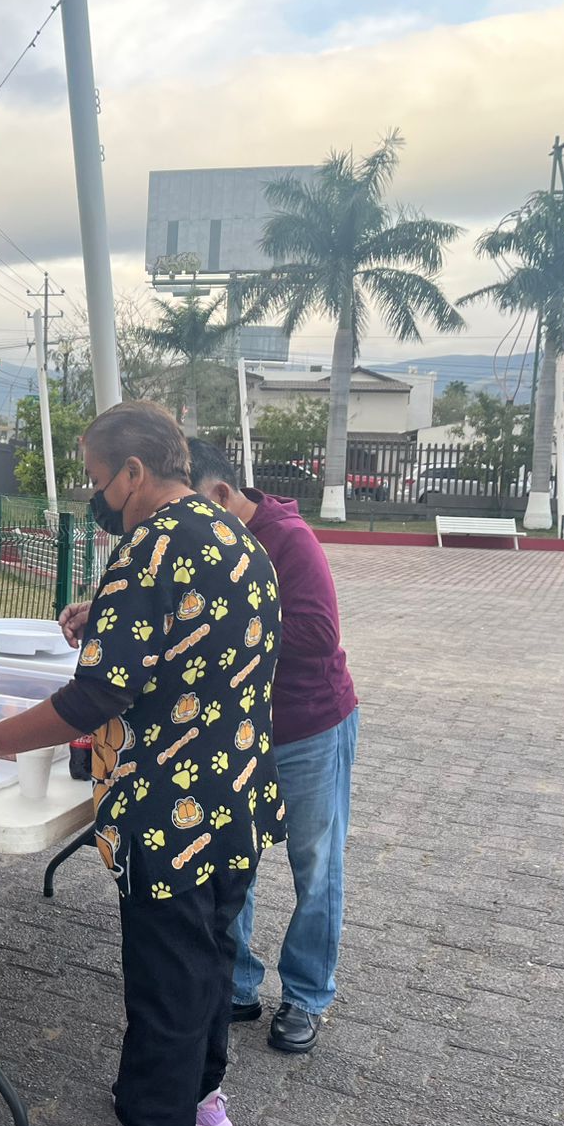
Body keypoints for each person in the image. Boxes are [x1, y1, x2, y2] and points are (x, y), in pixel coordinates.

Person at [0, 402, 283, 1126]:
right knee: (211, 960)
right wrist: (105, 614)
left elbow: (94, 696)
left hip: (172, 808)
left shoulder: (149, 549)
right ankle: (192, 1100)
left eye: (99, 479)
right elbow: (195, 638)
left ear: (134, 471)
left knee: (168, 981)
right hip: (236, 795)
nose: (96, 497)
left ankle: (156, 1125)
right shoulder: (235, 535)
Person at [186, 439, 358, 1055]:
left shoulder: (288, 538)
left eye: (198, 510)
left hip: (309, 726)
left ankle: (307, 994)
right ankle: (236, 983)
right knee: (238, 856)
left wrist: (225, 621)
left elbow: (318, 632)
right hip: (239, 729)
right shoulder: (203, 541)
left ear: (223, 495)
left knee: (316, 866)